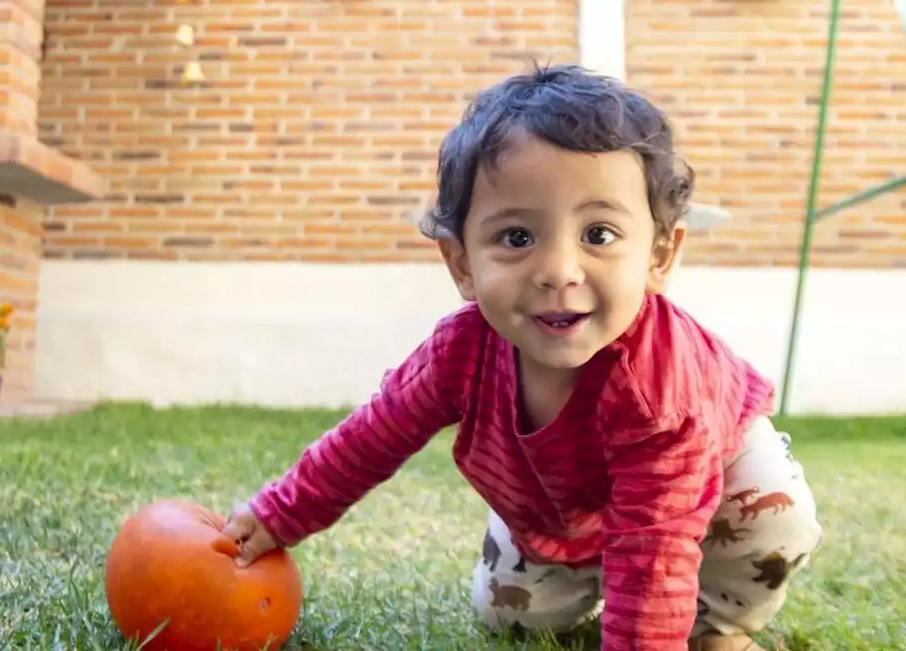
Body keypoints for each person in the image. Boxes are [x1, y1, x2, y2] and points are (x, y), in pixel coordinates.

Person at [220, 63, 824, 651]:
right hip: (560, 503)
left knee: (772, 521)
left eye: (599, 235)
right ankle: (561, 556)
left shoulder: (658, 390)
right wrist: (278, 515)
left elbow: (654, 543)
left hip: (714, 477)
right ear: (461, 263)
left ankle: (714, 622)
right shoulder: (460, 352)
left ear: (660, 256)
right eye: (516, 238)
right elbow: (371, 438)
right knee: (514, 617)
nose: (558, 273)